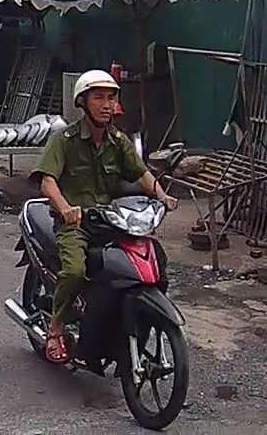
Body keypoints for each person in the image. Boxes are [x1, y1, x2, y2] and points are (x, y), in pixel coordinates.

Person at [31, 69, 178, 364]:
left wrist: (162, 197)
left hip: (111, 220)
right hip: (76, 223)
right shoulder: (64, 139)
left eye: (111, 97)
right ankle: (56, 328)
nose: (107, 104)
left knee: (152, 260)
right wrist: (65, 208)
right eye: (98, 97)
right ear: (82, 102)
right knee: (75, 271)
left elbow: (142, 174)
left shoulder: (119, 141)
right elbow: (47, 182)